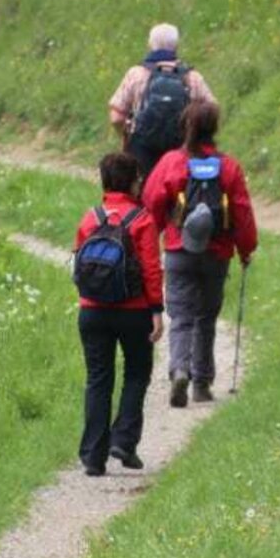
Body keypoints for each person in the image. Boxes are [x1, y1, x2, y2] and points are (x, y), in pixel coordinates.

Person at [142, 101, 258, 407]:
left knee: (180, 316)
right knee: (206, 317)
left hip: (179, 249)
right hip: (217, 252)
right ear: (214, 129)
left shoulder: (171, 162)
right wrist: (246, 249)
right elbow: (242, 212)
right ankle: (202, 383)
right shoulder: (229, 167)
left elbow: (151, 201)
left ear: (185, 126)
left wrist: (151, 238)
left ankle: (180, 369)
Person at [73, 153, 165, 477]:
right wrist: (156, 310)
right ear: (132, 181)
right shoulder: (142, 219)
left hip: (92, 312)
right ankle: (123, 442)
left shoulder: (90, 218)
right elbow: (152, 269)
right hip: (133, 311)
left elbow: (78, 266)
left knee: (98, 379)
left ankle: (93, 457)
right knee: (137, 373)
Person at [109, 22, 218, 176]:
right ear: (176, 46)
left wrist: (127, 137)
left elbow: (116, 117)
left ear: (150, 44)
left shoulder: (136, 74)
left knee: (142, 193)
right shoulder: (192, 78)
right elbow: (211, 112)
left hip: (141, 152)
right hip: (182, 152)